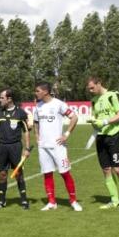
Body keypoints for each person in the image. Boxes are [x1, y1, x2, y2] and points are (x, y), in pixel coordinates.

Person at [32, 82, 82, 211]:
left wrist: (66, 134)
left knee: (65, 173)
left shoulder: (59, 104)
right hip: (43, 146)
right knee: (47, 173)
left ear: (45, 92)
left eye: (37, 91)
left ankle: (73, 201)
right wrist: (37, 136)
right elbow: (36, 122)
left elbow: (74, 118)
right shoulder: (37, 106)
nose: (35, 93)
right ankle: (51, 202)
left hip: (58, 146)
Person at [86, 76, 119, 209]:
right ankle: (114, 200)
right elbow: (96, 119)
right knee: (106, 170)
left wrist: (105, 121)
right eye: (89, 89)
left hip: (114, 135)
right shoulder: (93, 100)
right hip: (100, 137)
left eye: (92, 88)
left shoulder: (113, 95)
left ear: (99, 83)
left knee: (118, 169)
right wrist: (94, 122)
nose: (91, 91)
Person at [0, 88, 31, 210]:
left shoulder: (20, 113)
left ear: (9, 99)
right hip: (2, 147)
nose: (0, 100)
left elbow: (26, 132)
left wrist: (27, 148)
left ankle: (24, 201)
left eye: (2, 98)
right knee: (2, 174)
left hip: (15, 147)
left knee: (18, 173)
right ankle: (1, 201)